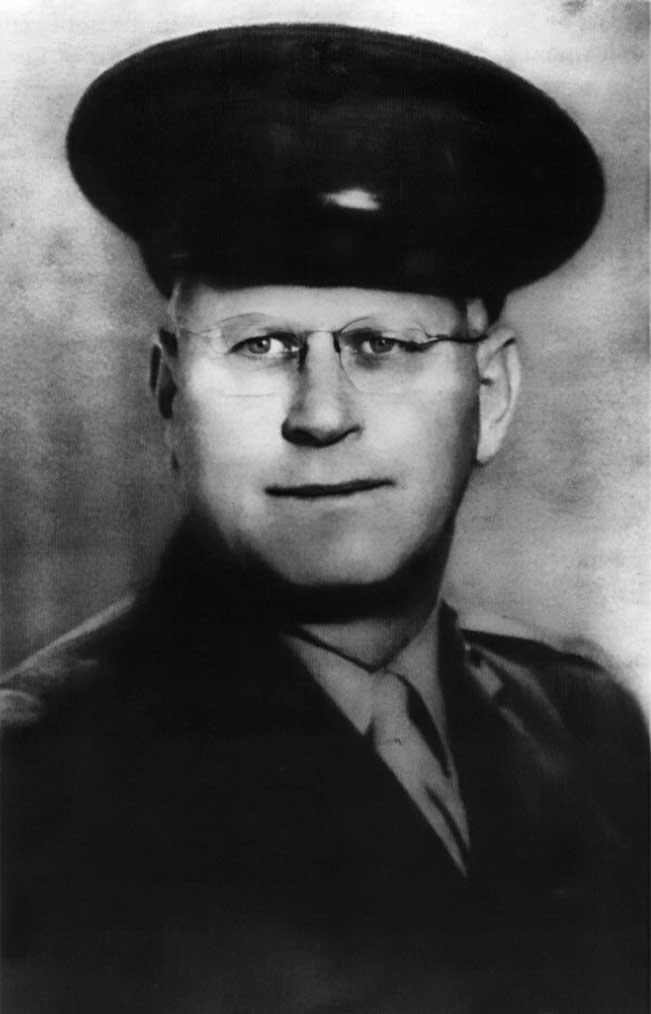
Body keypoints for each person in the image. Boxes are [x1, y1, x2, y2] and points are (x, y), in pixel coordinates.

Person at [1, 23, 648, 1014]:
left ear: (494, 391)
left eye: (383, 343)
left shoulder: (586, 725)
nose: (321, 414)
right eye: (260, 346)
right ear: (172, 395)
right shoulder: (32, 785)